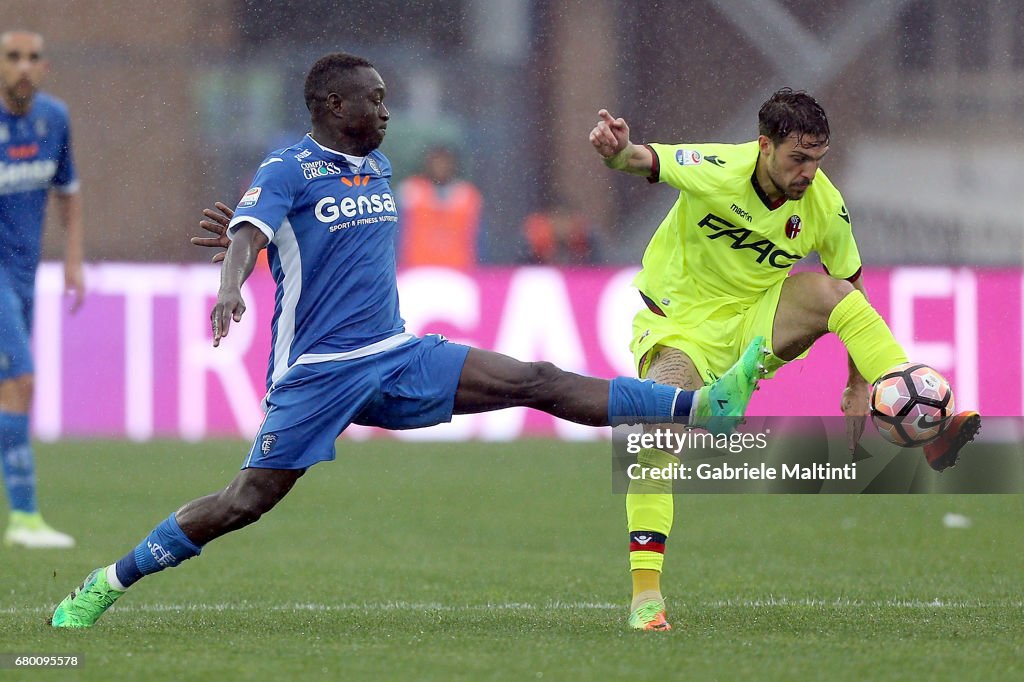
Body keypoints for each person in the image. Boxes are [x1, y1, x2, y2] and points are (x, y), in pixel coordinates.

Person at [49, 53, 767, 628]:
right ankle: (106, 582)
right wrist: (233, 280)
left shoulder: (380, 166)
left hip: (394, 355)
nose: (389, 111)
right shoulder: (286, 167)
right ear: (335, 106)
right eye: (377, 98)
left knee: (535, 377)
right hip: (319, 373)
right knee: (244, 501)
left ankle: (695, 407)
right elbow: (247, 230)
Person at [588, 90, 982, 631]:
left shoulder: (824, 203)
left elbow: (852, 290)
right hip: (681, 328)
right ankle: (646, 597)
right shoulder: (719, 168)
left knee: (831, 294)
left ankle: (925, 416)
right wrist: (615, 147)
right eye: (798, 158)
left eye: (818, 159)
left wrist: (857, 384)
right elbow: (640, 159)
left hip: (758, 321)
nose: (808, 172)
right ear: (764, 146)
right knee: (657, 433)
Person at [0, 30, 83, 549]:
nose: (23, 67)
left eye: (32, 58)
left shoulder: (55, 118)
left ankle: (24, 518)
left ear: (45, 67)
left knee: (10, 386)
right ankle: (25, 517)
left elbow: (68, 192)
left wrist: (73, 260)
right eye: (12, 58)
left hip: (25, 272)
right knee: (21, 379)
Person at [397, 145, 483, 269]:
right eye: (436, 162)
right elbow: (396, 234)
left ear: (454, 165)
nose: (441, 167)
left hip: (459, 270)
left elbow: (479, 240)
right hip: (416, 271)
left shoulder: (468, 196)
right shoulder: (410, 192)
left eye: (446, 163)